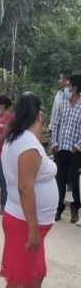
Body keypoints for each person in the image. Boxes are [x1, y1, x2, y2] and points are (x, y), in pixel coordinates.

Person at [0, 92, 57, 288]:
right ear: (38, 115)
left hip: (31, 224)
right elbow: (24, 187)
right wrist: (33, 229)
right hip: (25, 224)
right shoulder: (28, 144)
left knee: (35, 276)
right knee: (18, 279)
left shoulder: (16, 138)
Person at [51, 74, 81, 223]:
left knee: (75, 182)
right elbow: (56, 124)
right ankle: (58, 207)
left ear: (75, 88)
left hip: (75, 151)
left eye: (68, 86)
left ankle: (75, 208)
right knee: (59, 180)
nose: (66, 88)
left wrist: (78, 146)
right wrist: (54, 142)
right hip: (60, 148)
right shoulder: (63, 103)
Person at [49, 70, 72, 138]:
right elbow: (54, 111)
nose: (59, 80)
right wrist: (51, 127)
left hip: (70, 132)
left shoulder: (76, 95)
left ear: (66, 80)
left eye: (60, 78)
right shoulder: (58, 94)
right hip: (58, 131)